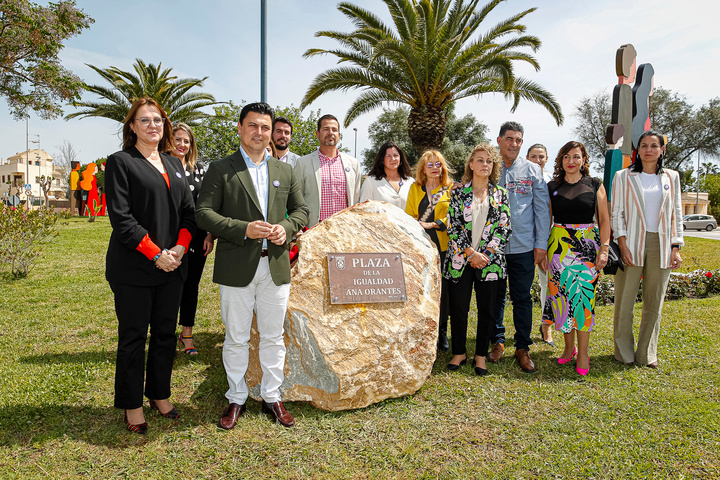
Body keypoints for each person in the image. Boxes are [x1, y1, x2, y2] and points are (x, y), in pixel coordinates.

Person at [196, 102, 308, 429]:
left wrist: (285, 229)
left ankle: (272, 397)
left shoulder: (285, 171)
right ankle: (236, 397)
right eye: (252, 126)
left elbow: (301, 211)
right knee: (236, 337)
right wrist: (241, 228)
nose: (259, 133)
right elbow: (204, 213)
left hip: (275, 267)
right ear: (241, 128)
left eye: (265, 127)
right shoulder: (221, 168)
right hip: (236, 266)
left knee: (273, 336)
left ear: (272, 132)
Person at [105, 97, 196, 434]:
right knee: (133, 337)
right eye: (144, 120)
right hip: (134, 268)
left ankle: (160, 394)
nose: (152, 126)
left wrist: (179, 249)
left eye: (157, 120)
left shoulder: (175, 165)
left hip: (173, 266)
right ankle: (132, 404)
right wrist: (157, 254)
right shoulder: (120, 162)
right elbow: (122, 219)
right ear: (132, 127)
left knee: (164, 335)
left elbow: (189, 212)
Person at [611, 130, 683, 368]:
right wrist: (621, 243)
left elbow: (676, 213)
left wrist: (675, 246)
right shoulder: (623, 176)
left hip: (661, 245)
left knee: (654, 302)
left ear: (662, 150)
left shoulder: (672, 177)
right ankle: (624, 353)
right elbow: (617, 212)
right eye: (644, 145)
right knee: (625, 301)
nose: (649, 150)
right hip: (631, 243)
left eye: (654, 145)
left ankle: (646, 354)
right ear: (637, 150)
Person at [543, 141, 610, 376]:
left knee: (583, 300)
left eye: (576, 156)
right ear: (561, 161)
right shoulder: (551, 186)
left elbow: (604, 219)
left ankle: (583, 352)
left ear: (584, 160)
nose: (571, 161)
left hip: (587, 246)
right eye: (566, 157)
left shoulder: (594, 184)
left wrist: (604, 248)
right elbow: (546, 220)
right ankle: (568, 347)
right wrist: (541, 250)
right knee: (561, 298)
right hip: (559, 247)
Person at [489, 121, 551, 373]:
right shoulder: (488, 167)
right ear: (499, 140)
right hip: (493, 247)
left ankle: (522, 346)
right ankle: (497, 341)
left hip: (524, 246)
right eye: (510, 139)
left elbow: (541, 209)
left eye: (518, 140)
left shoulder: (533, 170)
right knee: (495, 298)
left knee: (522, 298)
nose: (514, 144)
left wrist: (540, 245)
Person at [444, 144, 511, 375]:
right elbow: (453, 226)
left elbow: (503, 228)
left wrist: (486, 254)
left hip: (490, 263)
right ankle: (459, 352)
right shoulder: (458, 193)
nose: (485, 164)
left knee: (488, 310)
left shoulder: (501, 194)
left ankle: (480, 355)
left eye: (489, 161)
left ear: (494, 167)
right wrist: (471, 253)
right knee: (459, 308)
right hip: (460, 260)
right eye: (480, 160)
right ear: (471, 164)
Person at [169, 122, 214, 356]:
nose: (182, 144)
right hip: (167, 236)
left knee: (191, 285)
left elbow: (206, 203)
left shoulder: (200, 169)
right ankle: (165, 333)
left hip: (196, 237)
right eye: (177, 139)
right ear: (169, 140)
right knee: (169, 286)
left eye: (186, 141)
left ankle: (186, 334)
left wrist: (209, 234)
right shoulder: (160, 165)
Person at [405, 150, 454, 351]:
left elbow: (455, 215)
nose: (435, 168)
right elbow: (408, 216)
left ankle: (442, 332)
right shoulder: (415, 188)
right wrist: (419, 225)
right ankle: (424, 331)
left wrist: (435, 224)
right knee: (423, 289)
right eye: (430, 165)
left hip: (444, 246)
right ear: (423, 169)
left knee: (443, 292)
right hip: (421, 246)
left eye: (438, 164)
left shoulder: (450, 188)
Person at [294, 114, 362, 227]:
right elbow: (297, 200)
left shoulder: (353, 164)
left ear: (339, 135)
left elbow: (356, 199)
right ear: (317, 134)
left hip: (344, 228)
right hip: (314, 228)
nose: (330, 133)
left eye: (334, 130)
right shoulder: (303, 163)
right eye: (326, 129)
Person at [526, 143, 554, 347]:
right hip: (523, 240)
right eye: (533, 156)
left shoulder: (552, 182)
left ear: (546, 159)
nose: (537, 160)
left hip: (547, 241)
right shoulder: (520, 178)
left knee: (548, 286)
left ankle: (546, 326)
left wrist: (543, 243)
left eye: (541, 157)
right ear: (526, 158)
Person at [359, 141, 414, 209]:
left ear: (400, 158)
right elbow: (363, 209)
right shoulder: (371, 182)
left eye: (395, 155)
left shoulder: (410, 182)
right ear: (382, 160)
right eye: (388, 156)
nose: (393, 159)